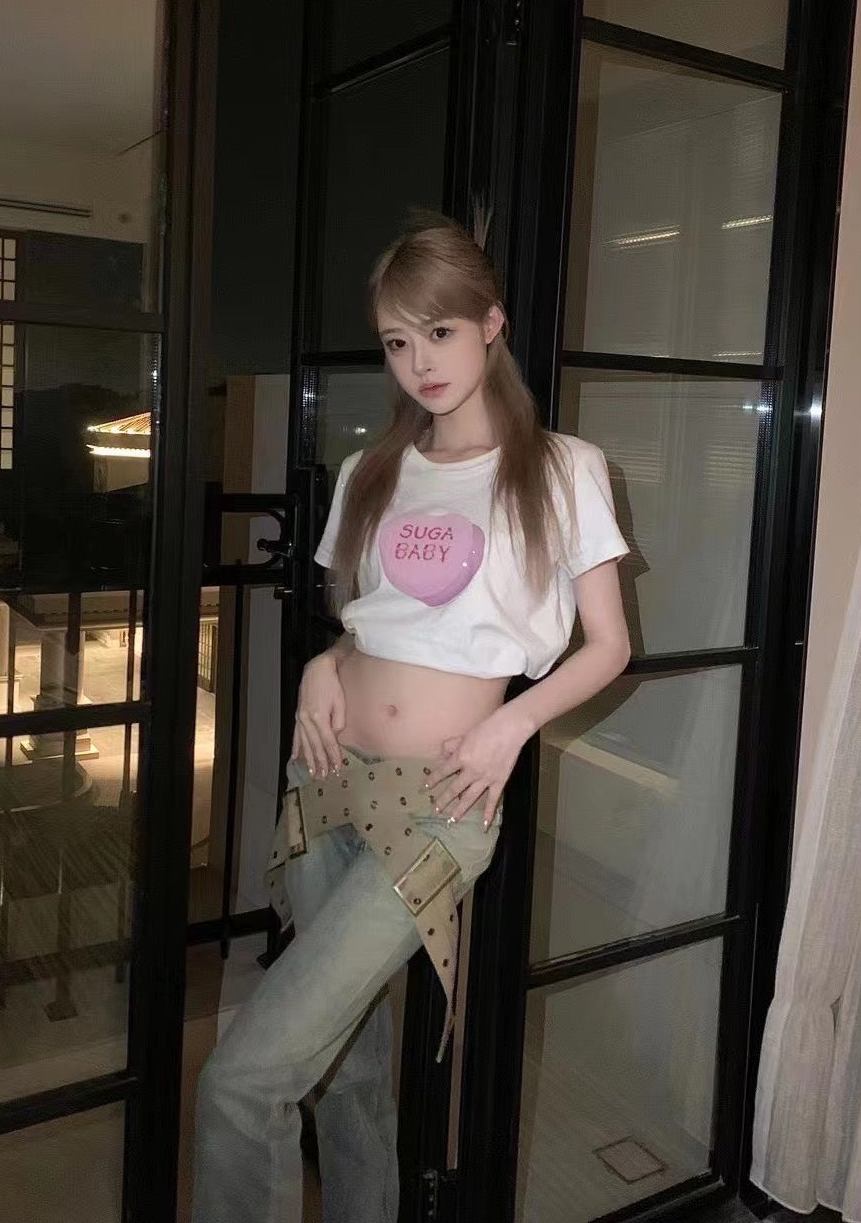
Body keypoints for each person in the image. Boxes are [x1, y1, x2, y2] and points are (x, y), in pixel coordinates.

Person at [192, 215, 631, 1223]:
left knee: (241, 1082)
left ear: (491, 323)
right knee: (346, 1070)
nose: (420, 362)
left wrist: (512, 726)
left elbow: (608, 645)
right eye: (398, 341)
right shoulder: (372, 470)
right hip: (324, 778)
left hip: (439, 804)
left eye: (440, 332)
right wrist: (322, 663)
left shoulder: (562, 468)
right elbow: (373, 625)